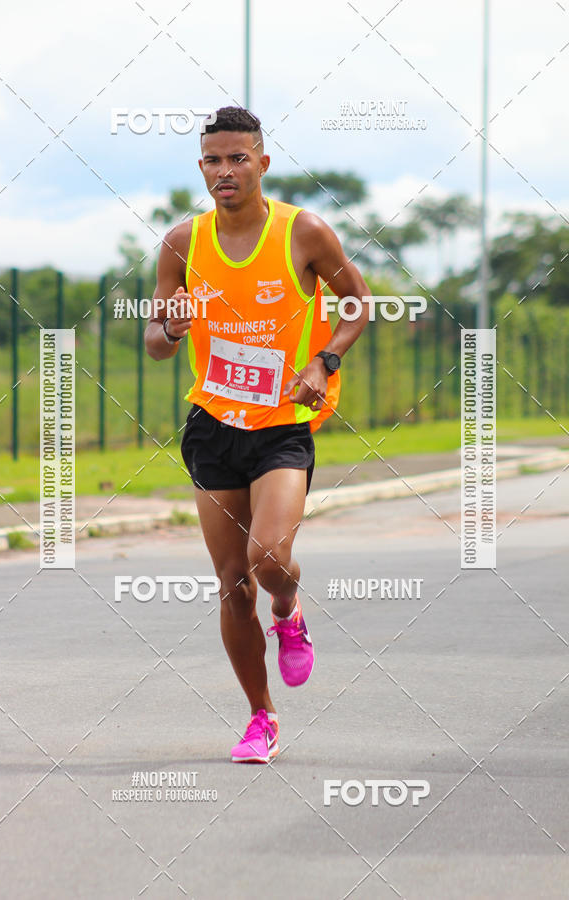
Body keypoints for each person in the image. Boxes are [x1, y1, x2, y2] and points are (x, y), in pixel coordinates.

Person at [145, 106, 370, 763]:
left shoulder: (303, 232)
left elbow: (356, 304)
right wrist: (172, 329)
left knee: (268, 561)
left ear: (262, 163)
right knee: (232, 583)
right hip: (213, 427)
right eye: (213, 160)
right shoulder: (183, 243)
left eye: (238, 158)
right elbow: (156, 341)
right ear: (201, 169)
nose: (225, 171)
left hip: (281, 428)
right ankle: (260, 717)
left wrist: (322, 361)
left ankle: (290, 608)